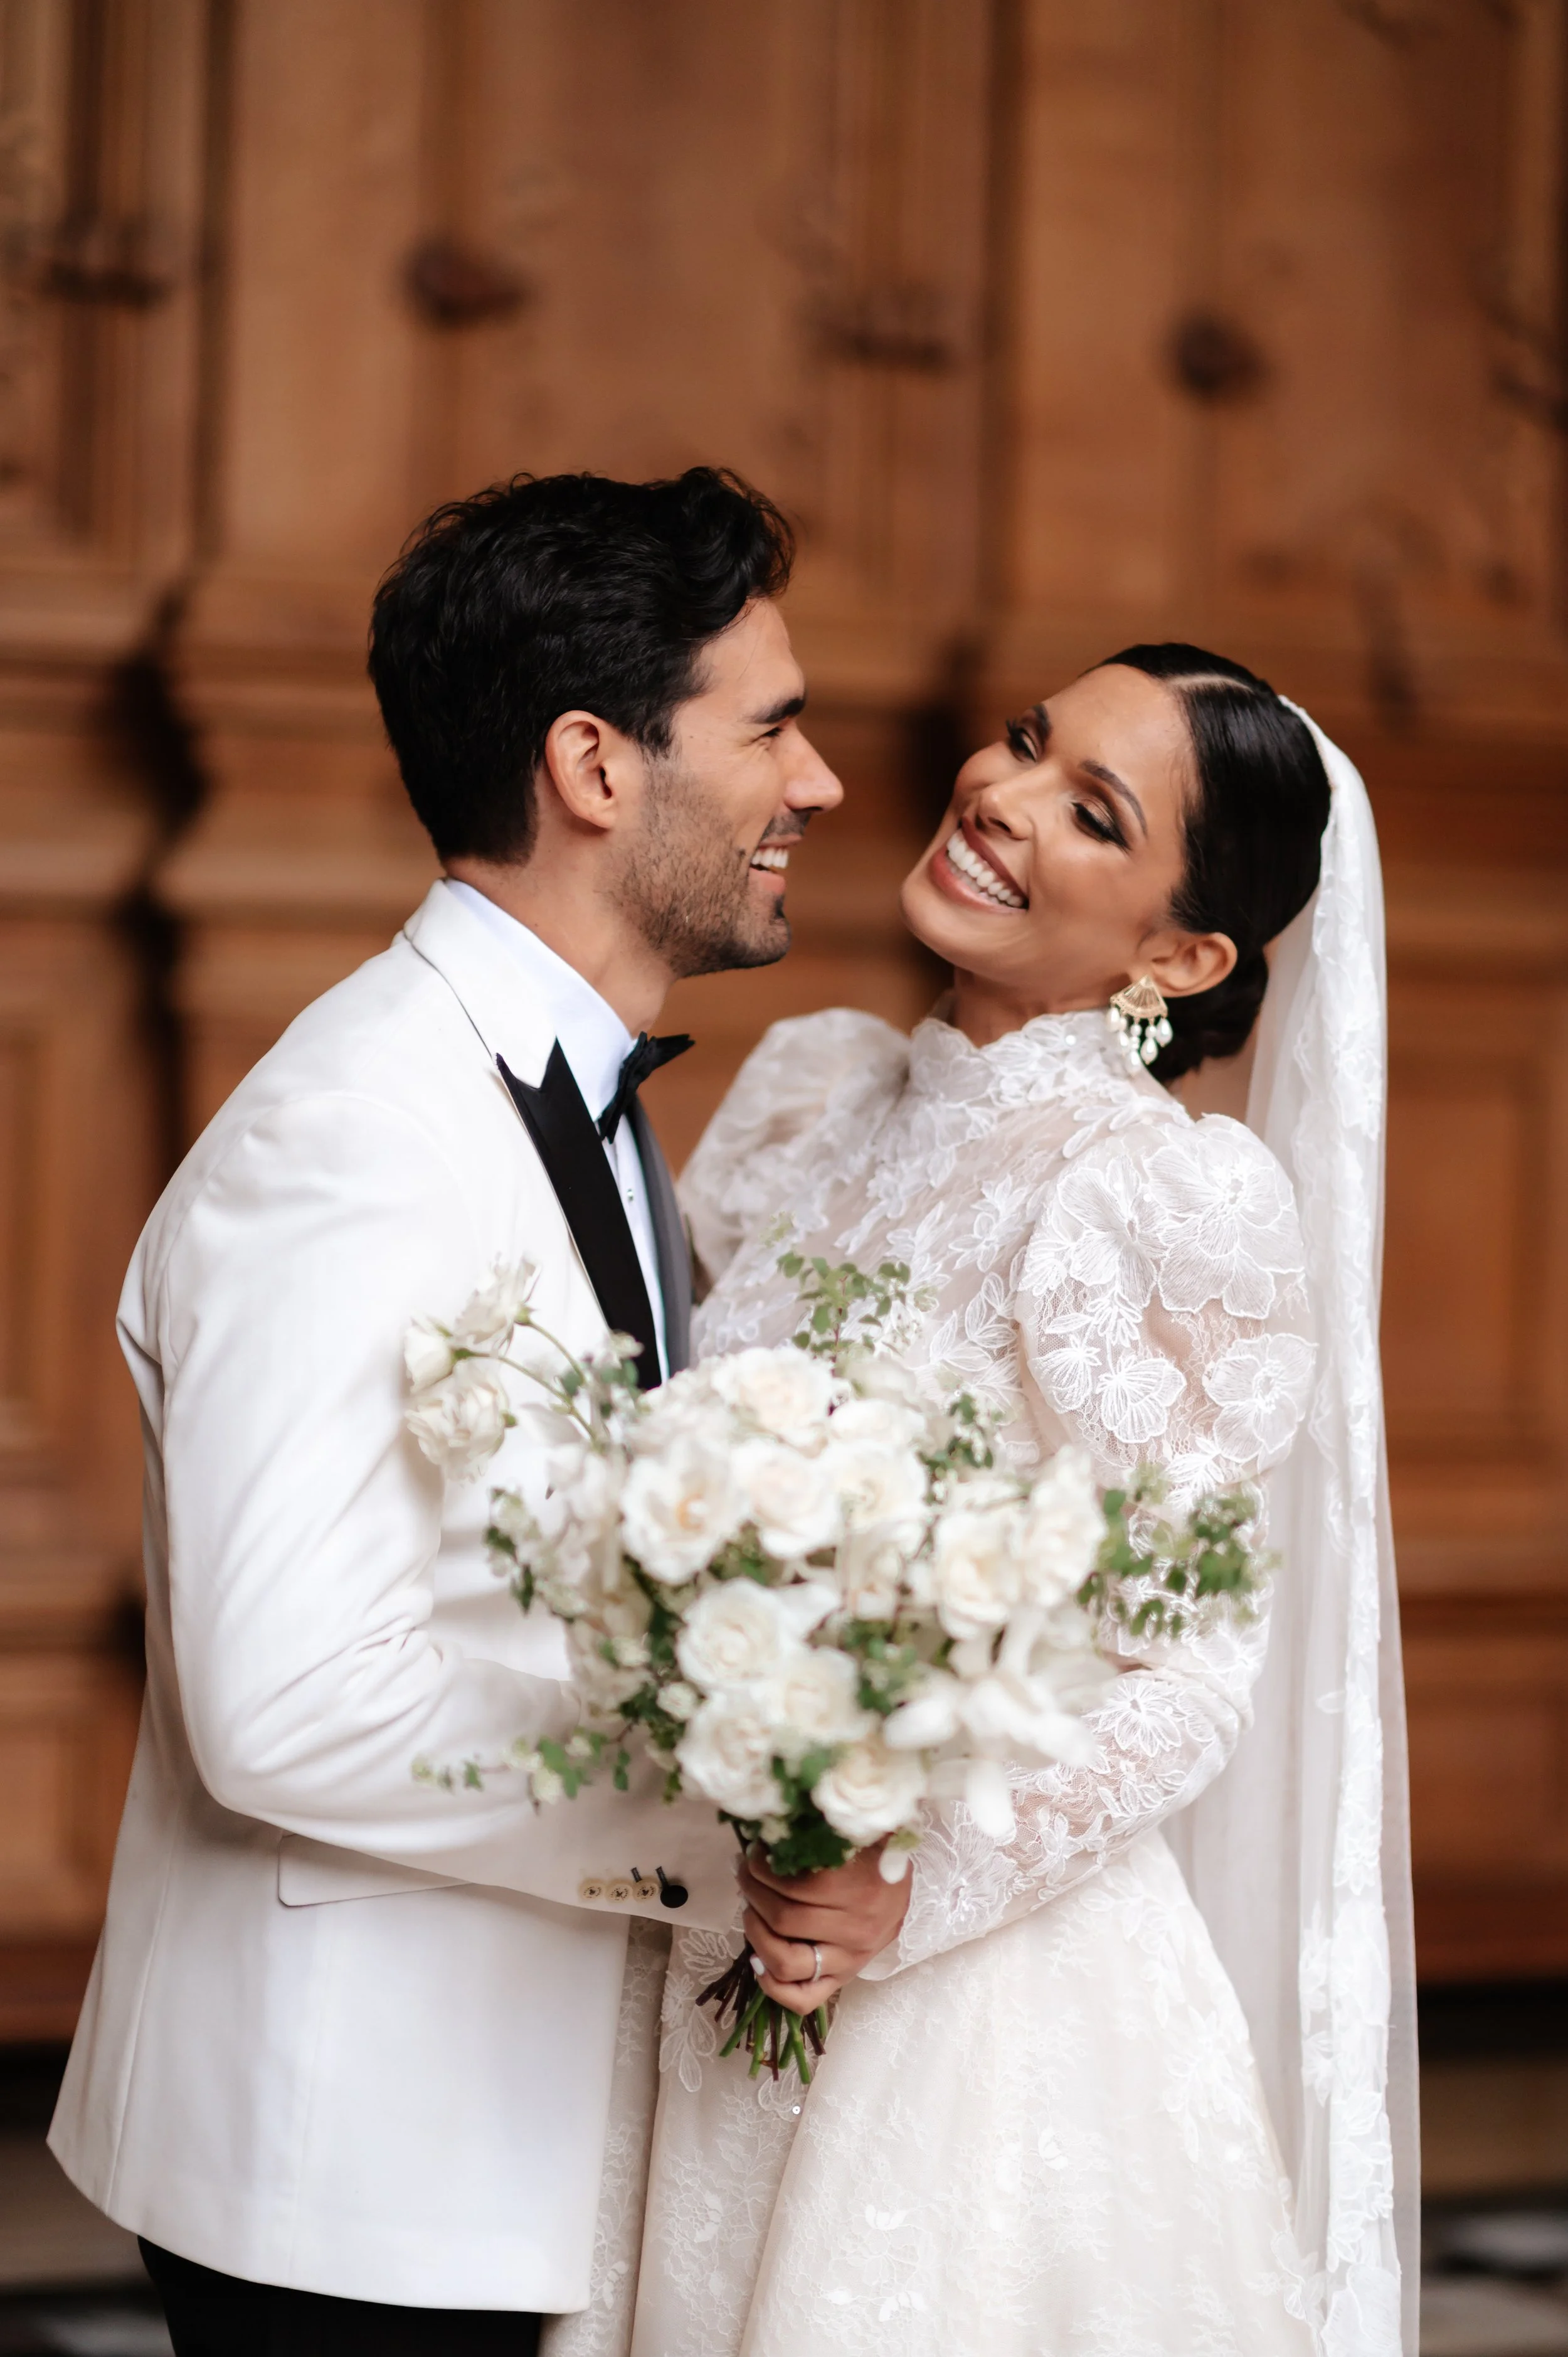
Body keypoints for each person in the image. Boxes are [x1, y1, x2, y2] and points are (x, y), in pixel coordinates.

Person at [47, 468, 908, 2355]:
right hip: (351, 2166)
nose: (821, 781)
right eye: (770, 726)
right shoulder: (356, 1130)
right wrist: (728, 1827)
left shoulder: (567, 1090)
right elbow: (287, 1700)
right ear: (595, 765)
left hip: (487, 2140)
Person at [610, 647, 1416, 2356]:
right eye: (1031, 740)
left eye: (1090, 812)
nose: (1002, 789)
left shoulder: (1158, 1197)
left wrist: (919, 1885)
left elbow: (1191, 1674)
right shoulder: (812, 1091)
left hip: (974, 2020)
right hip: (714, 1937)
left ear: (1180, 956)